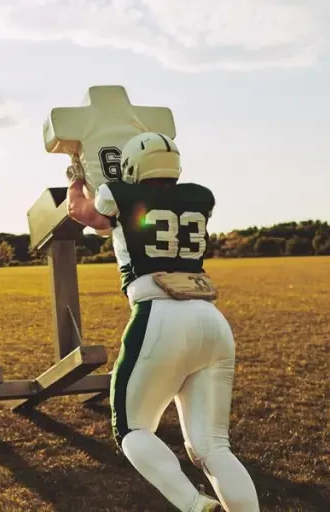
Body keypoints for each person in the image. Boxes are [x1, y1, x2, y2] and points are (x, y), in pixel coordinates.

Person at [66, 132, 260, 512]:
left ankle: (193, 505)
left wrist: (75, 178)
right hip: (211, 319)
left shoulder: (118, 193)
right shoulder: (199, 196)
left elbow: (84, 213)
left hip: (159, 314)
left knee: (132, 429)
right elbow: (124, 223)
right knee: (213, 446)